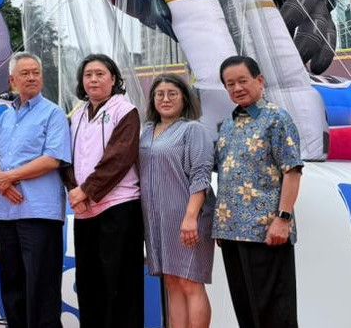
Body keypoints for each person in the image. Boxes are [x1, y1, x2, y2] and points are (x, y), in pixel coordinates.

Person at [213, 56, 303, 328]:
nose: (237, 88)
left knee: (275, 315)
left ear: (260, 80)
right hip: (231, 233)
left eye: (243, 80)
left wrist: (283, 219)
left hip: (266, 232)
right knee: (246, 313)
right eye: (230, 84)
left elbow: (292, 171)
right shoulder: (227, 125)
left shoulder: (276, 118)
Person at [0, 52, 71, 328]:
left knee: (42, 289)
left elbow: (53, 158)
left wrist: (9, 177)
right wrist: (0, 179)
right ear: (12, 80)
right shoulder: (4, 117)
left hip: (39, 213)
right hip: (7, 213)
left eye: (36, 72)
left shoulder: (54, 113)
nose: (32, 77)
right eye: (25, 73)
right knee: (13, 290)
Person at [62, 53, 143, 328]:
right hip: (85, 211)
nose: (93, 79)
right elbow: (66, 158)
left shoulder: (125, 110)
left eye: (100, 74)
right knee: (89, 285)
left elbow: (120, 157)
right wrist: (75, 190)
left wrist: (86, 190)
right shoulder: (77, 114)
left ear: (113, 79)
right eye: (88, 75)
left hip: (119, 208)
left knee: (120, 286)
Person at [139, 74, 215, 328]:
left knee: (190, 282)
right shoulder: (147, 131)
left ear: (184, 98)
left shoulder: (193, 129)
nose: (165, 99)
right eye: (159, 94)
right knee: (171, 281)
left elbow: (201, 175)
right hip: (157, 219)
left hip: (188, 216)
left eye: (172, 93)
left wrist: (191, 217)